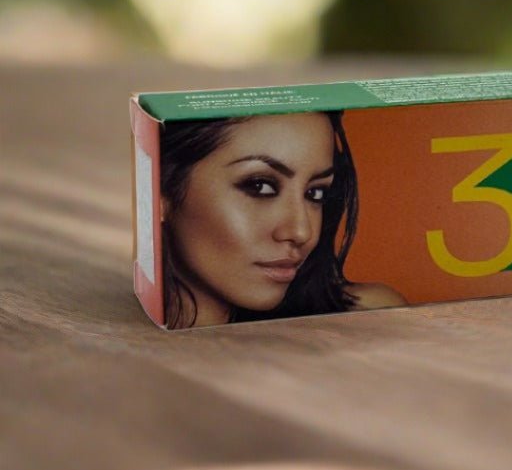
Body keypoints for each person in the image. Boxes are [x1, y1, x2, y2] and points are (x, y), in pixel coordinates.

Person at [160, 111, 403, 328]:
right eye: (260, 186)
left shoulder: (368, 319)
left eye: (315, 193)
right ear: (159, 194)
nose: (302, 232)